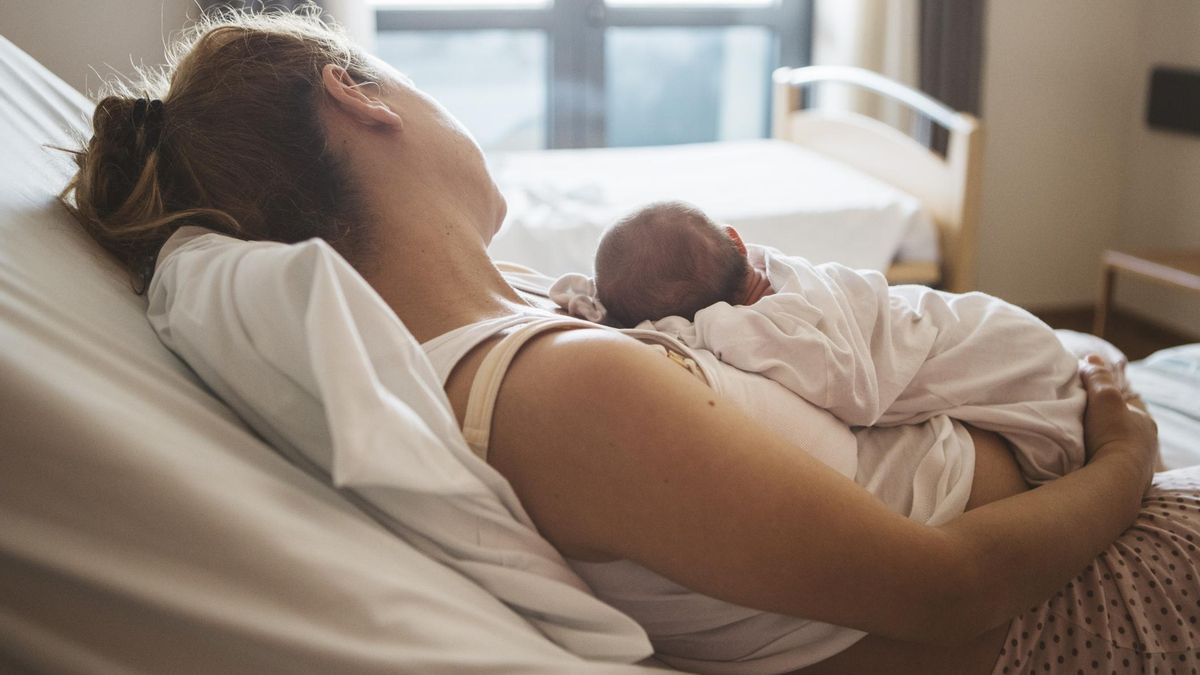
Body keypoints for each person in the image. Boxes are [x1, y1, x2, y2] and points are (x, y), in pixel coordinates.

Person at [61, 10, 1196, 675]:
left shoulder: (519, 323)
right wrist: (1126, 450)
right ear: (357, 97)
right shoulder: (569, 390)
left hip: (1062, 527)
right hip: (1073, 598)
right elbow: (951, 590)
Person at [560, 199, 1090, 488]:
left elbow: (852, 392)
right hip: (990, 322)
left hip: (999, 348)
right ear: (736, 240)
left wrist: (650, 319)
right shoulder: (754, 278)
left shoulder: (760, 320)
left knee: (1052, 438)